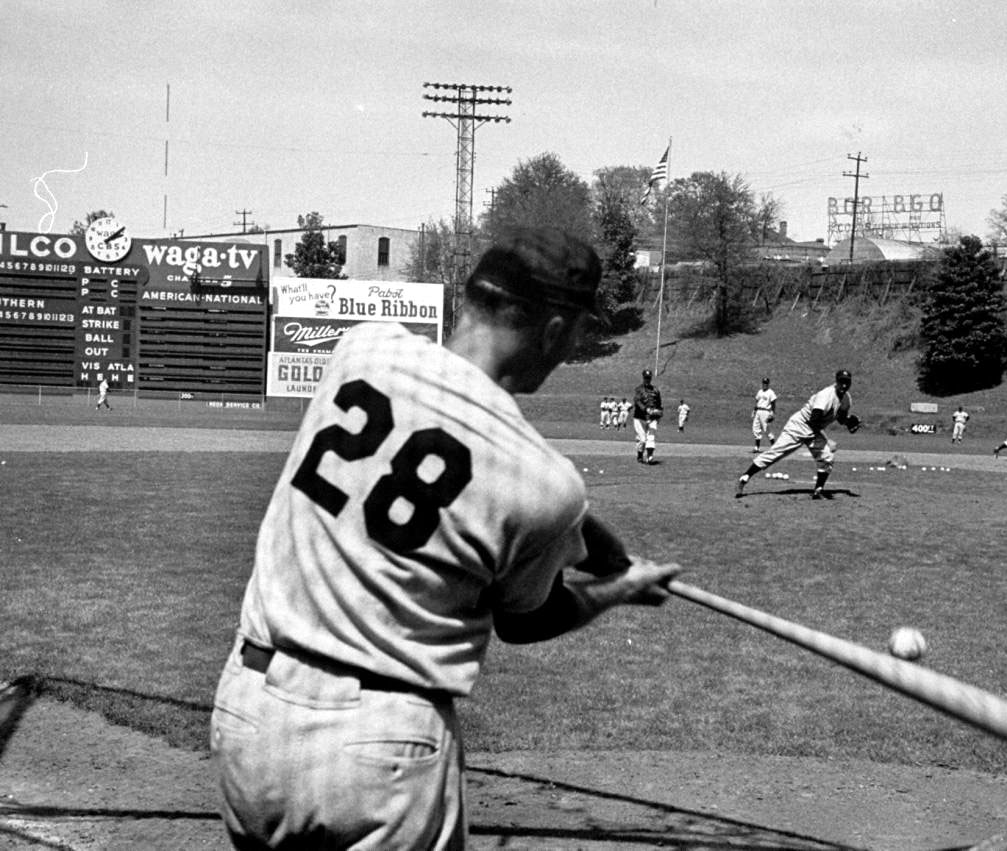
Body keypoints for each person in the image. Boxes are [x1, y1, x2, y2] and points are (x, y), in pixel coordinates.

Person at [210, 226, 682, 850]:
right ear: (554, 330)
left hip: (249, 715)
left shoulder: (362, 350)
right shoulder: (543, 482)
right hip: (378, 748)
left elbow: (467, 456)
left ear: (471, 297)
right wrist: (618, 586)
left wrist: (604, 547)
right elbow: (526, 620)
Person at [735, 369, 859, 500]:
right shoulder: (826, 395)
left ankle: (818, 490)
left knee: (827, 457)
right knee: (776, 453)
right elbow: (814, 420)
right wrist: (827, 440)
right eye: (841, 382)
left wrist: (848, 421)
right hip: (799, 426)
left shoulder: (846, 399)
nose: (844, 385)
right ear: (836, 381)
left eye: (847, 382)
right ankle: (745, 477)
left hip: (814, 430)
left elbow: (840, 417)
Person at [632, 368, 663, 464]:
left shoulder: (656, 391)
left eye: (649, 378)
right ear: (643, 378)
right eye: (646, 378)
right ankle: (640, 455)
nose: (647, 380)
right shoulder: (639, 389)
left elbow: (659, 404)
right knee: (642, 439)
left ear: (651, 378)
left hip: (652, 418)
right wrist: (646, 409)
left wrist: (659, 413)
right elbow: (637, 401)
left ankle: (650, 457)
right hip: (640, 418)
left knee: (651, 438)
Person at [751, 377, 778, 452]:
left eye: (766, 383)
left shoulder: (770, 392)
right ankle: (757, 447)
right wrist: (754, 410)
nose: (764, 384)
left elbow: (773, 403)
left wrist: (772, 413)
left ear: (768, 384)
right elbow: (757, 402)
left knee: (766, 429)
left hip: (766, 412)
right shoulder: (760, 391)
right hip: (758, 411)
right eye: (763, 383)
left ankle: (774, 447)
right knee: (755, 428)